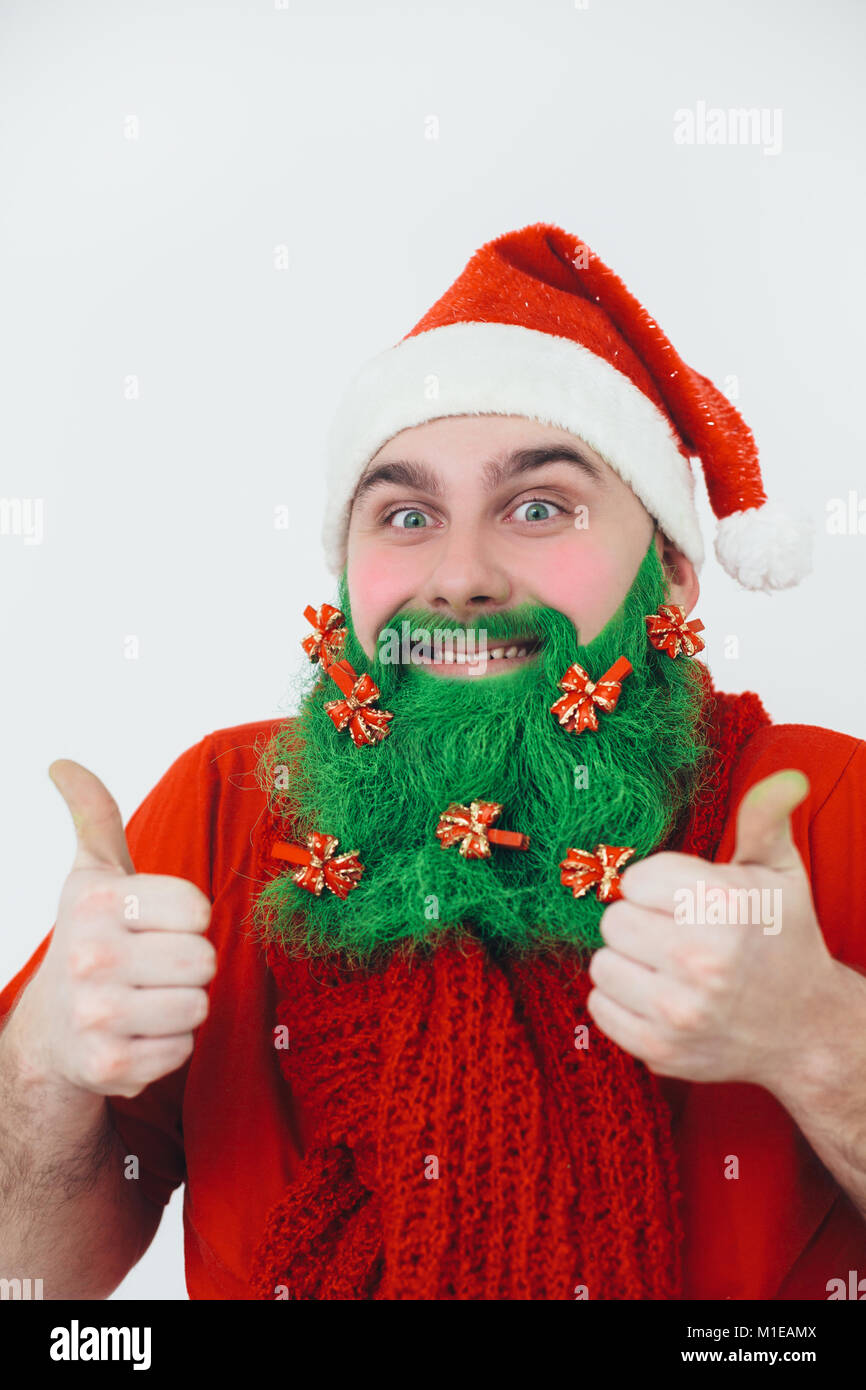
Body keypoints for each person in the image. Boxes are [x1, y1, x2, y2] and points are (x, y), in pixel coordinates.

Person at [2, 221, 866, 1301]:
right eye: (406, 514)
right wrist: (41, 1067)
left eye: (538, 506)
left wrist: (820, 1042)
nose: (457, 577)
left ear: (675, 578)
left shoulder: (822, 813)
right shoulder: (226, 812)